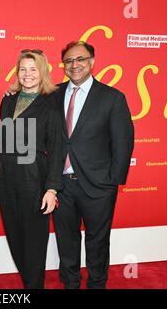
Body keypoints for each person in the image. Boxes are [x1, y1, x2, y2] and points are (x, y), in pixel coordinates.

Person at [53, 41, 134, 289]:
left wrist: (112, 181)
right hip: (60, 185)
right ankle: (70, 284)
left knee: (97, 243)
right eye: (69, 61)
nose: (74, 65)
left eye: (80, 59)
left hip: (99, 185)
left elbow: (123, 141)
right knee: (66, 242)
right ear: (63, 65)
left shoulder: (112, 97)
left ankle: (97, 285)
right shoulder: (52, 94)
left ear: (92, 62)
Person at [0, 49, 63, 288]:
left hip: (34, 177)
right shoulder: (8, 99)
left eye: (33, 69)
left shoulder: (51, 105)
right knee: (15, 237)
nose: (27, 74)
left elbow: (56, 151)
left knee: (33, 241)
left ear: (42, 71)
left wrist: (52, 189)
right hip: (5, 179)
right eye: (23, 69)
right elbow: (5, 137)